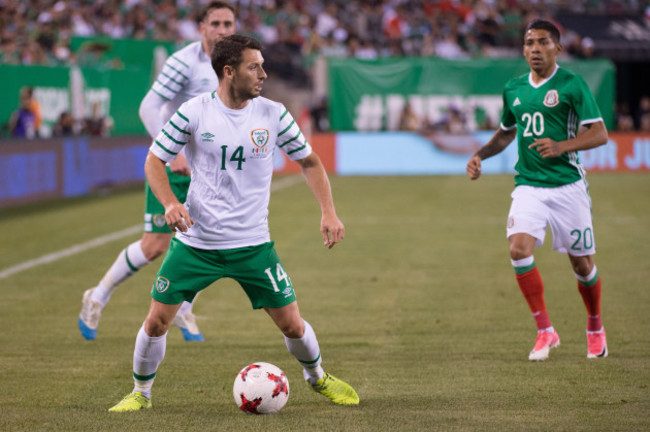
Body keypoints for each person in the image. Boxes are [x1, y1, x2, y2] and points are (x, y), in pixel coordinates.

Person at [108, 34, 359, 412]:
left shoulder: (273, 114)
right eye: (254, 66)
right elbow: (154, 160)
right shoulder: (194, 111)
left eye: (262, 65)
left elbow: (309, 161)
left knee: (291, 324)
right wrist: (171, 202)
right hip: (196, 244)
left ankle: (318, 377)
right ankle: (140, 394)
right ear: (229, 72)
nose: (263, 73)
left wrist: (328, 211)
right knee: (157, 321)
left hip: (253, 245)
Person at [78, 1, 237, 342]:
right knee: (154, 246)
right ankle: (98, 295)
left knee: (212, 242)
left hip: (208, 171)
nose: (223, 30)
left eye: (228, 23)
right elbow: (148, 105)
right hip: (173, 167)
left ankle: (183, 309)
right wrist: (173, 150)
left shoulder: (235, 64)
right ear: (202, 28)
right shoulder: (184, 62)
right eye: (216, 23)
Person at [466, 19, 609, 362]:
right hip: (529, 185)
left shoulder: (572, 84)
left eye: (542, 43)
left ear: (557, 48)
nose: (534, 49)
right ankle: (545, 329)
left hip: (568, 187)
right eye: (529, 43)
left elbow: (600, 133)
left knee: (582, 265)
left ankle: (594, 326)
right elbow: (505, 132)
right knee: (518, 249)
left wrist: (562, 146)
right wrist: (479, 155)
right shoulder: (514, 88)